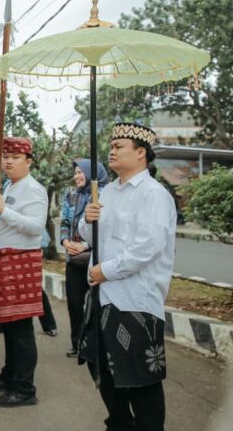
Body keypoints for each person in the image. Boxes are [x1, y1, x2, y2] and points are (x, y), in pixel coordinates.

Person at [79, 123, 175, 431]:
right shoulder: (106, 191)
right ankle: (119, 424)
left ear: (141, 153)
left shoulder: (154, 195)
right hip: (101, 296)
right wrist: (87, 219)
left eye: (120, 145)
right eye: (111, 145)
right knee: (103, 369)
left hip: (135, 299)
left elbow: (148, 247)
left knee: (140, 377)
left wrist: (105, 270)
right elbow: (89, 236)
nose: (113, 149)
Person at [0, 137, 47, 408]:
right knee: (8, 325)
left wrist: (2, 210)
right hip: (4, 262)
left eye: (15, 157)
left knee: (21, 329)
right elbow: (2, 221)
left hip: (20, 263)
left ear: (28, 161)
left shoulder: (33, 189)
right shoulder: (10, 185)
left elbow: (35, 227)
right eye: (5, 156)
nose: (7, 161)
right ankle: (10, 375)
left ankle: (24, 389)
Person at [60, 158, 109, 358]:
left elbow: (106, 227)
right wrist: (65, 242)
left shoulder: (104, 195)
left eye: (81, 172)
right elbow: (64, 220)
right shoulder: (71, 196)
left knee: (97, 303)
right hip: (74, 258)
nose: (77, 176)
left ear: (91, 174)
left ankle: (97, 344)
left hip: (96, 258)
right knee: (74, 302)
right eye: (76, 173)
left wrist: (85, 245)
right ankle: (78, 343)